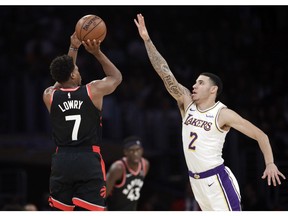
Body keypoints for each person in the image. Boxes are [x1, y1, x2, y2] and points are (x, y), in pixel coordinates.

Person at [134, 13, 286, 211]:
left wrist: (270, 163)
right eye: (195, 82)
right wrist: (147, 40)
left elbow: (261, 135)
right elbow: (165, 72)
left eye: (200, 82)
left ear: (213, 89)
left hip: (217, 181)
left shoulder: (222, 114)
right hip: (195, 182)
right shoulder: (186, 102)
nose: (194, 85)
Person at [42, 32, 122, 211]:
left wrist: (73, 48)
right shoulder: (92, 91)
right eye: (76, 70)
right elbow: (117, 78)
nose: (79, 70)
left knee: (61, 210)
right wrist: (97, 52)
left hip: (62, 160)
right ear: (72, 75)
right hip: (88, 159)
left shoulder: (49, 96)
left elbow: (60, 81)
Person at [106, 136, 150, 210]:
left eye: (138, 150)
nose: (135, 153)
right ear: (125, 152)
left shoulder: (145, 165)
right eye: (132, 150)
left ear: (142, 150)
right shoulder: (118, 168)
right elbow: (102, 195)